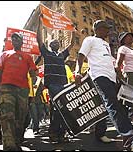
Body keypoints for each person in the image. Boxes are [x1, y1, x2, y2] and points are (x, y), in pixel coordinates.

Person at [75, 20, 133, 151]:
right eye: (104, 28)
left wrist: (118, 73)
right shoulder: (90, 40)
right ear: (96, 29)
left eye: (108, 29)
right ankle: (130, 139)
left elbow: (109, 60)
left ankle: (99, 134)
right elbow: (80, 56)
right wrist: (77, 72)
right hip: (99, 76)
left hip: (112, 78)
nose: (107, 31)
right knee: (113, 105)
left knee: (108, 106)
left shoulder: (106, 44)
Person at [0, 32, 38, 151]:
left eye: (17, 39)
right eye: (13, 39)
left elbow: (33, 72)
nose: (15, 41)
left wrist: (34, 75)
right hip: (6, 89)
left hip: (23, 91)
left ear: (22, 42)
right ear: (11, 42)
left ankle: (17, 142)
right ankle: (9, 146)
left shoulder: (27, 56)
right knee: (7, 116)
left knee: (20, 117)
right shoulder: (5, 54)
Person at [36, 14, 75, 143]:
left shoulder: (62, 55)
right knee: (57, 108)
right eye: (54, 42)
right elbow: (39, 39)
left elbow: (71, 44)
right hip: (52, 85)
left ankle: (60, 134)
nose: (56, 43)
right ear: (50, 45)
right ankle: (53, 133)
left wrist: (73, 31)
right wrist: (40, 23)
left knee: (62, 109)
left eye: (58, 42)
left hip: (63, 85)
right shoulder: (46, 53)